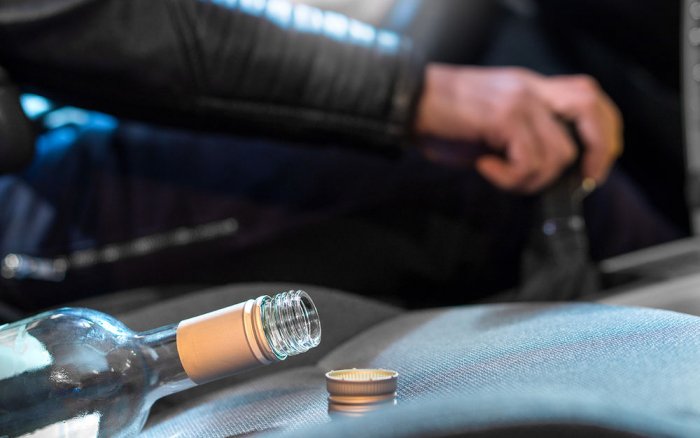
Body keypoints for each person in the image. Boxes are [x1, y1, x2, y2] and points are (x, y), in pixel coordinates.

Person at [0, 0, 672, 312]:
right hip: (18, 222)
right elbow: (103, 22)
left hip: (56, 116)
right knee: (496, 183)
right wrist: (416, 95)